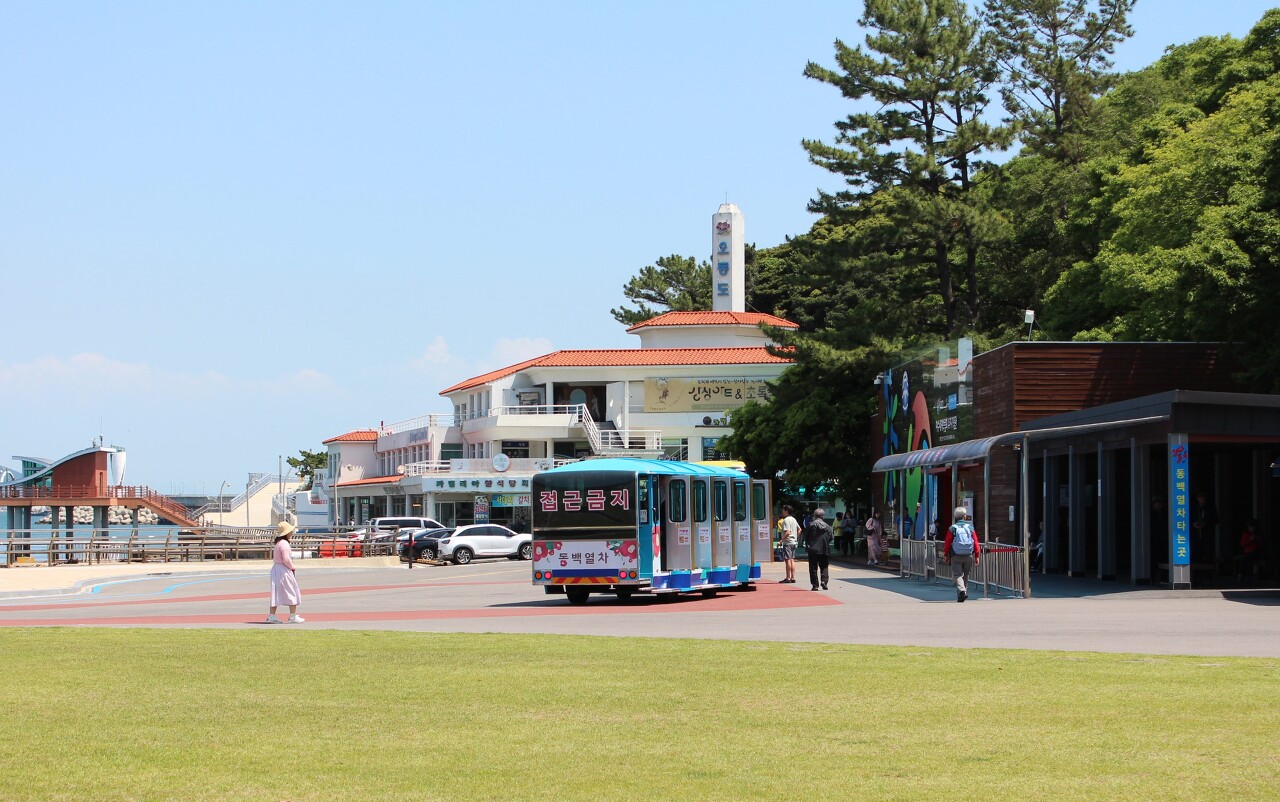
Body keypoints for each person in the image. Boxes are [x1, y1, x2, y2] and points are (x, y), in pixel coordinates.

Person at [267, 520, 305, 624]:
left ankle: (272, 615)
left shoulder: (278, 543)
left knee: (276, 592)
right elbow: (286, 559)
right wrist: (292, 567)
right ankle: (292, 616)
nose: (292, 532)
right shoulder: (284, 544)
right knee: (291, 590)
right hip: (283, 569)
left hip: (276, 568)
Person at [944, 506, 981, 602]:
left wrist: (946, 555)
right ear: (964, 516)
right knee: (966, 574)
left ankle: (962, 591)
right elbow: (976, 542)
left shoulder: (952, 528)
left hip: (956, 555)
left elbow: (947, 543)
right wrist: (977, 555)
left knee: (957, 574)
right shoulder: (970, 528)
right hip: (968, 555)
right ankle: (962, 594)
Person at [802, 508, 834, 591]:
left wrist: (809, 543)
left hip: (812, 549)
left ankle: (815, 585)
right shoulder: (827, 526)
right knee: (824, 566)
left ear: (814, 515)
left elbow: (805, 536)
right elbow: (831, 537)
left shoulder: (811, 524)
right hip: (824, 548)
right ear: (822, 516)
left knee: (813, 568)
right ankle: (824, 581)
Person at [777, 505, 801, 584]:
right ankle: (793, 577)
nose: (782, 512)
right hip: (793, 542)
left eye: (783, 510)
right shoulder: (793, 519)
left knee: (787, 560)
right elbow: (799, 529)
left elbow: (787, 532)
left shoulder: (786, 520)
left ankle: (788, 578)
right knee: (792, 559)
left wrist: (781, 541)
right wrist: (795, 538)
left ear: (786, 511)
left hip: (787, 542)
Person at [1238, 518, 1263, 583]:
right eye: (1251, 527)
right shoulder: (1246, 534)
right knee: (1244, 559)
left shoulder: (1258, 534)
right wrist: (1250, 540)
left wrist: (1257, 540)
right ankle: (1241, 574)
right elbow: (1243, 544)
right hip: (1248, 552)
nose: (1252, 529)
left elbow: (1261, 544)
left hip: (1256, 552)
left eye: (1253, 527)